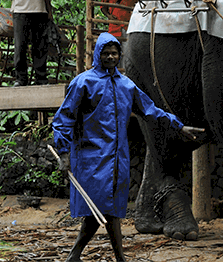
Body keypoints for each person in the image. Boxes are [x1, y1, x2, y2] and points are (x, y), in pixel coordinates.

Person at [52, 32, 204, 262]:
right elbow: (64, 118)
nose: (111, 57)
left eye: (114, 53)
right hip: (91, 157)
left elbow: (151, 110)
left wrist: (179, 127)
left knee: (109, 210)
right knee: (100, 209)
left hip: (117, 158)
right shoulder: (83, 82)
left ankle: (84, 256)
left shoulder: (126, 85)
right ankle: (106, 257)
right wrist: (63, 152)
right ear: (97, 55)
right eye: (106, 53)